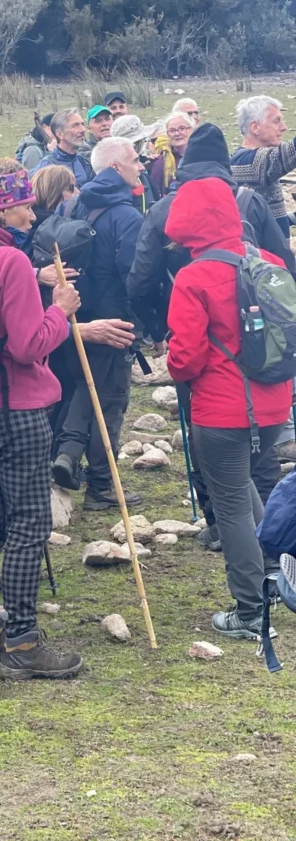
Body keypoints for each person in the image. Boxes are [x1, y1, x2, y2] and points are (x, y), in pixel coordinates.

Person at [127, 123, 295, 546]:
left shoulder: (164, 210)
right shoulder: (249, 200)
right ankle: (272, 533)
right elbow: (286, 267)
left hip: (196, 343)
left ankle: (221, 524)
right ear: (224, 165)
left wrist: (158, 328)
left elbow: (140, 281)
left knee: (209, 434)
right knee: (261, 442)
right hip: (266, 344)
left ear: (185, 166)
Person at [0, 168, 83, 678]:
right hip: (17, 410)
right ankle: (24, 642)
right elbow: (29, 346)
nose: (32, 213)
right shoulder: (10, 261)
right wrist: (60, 309)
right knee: (29, 523)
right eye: (24, 205)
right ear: (1, 211)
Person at [165, 177, 291, 639]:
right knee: (244, 488)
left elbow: (187, 358)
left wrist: (172, 359)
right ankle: (277, 574)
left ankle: (251, 611)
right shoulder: (269, 262)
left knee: (232, 502)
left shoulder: (193, 277)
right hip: (275, 405)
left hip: (222, 409)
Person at [51, 137, 149, 510]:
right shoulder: (127, 216)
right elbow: (135, 276)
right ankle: (102, 486)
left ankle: (66, 454)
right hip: (115, 321)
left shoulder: (73, 204)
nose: (140, 165)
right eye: (134, 160)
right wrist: (146, 325)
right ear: (115, 168)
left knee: (81, 387)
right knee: (110, 401)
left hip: (75, 314)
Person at [230, 95, 295, 237]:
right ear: (255, 127)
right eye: (276, 121)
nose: (284, 127)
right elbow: (290, 152)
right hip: (262, 257)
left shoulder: (250, 161)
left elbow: (268, 220)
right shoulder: (252, 162)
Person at [109, 115, 160, 213]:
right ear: (136, 144)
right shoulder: (125, 176)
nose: (145, 143)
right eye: (143, 140)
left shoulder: (109, 171)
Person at [32, 108, 94, 187]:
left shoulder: (83, 162)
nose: (83, 130)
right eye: (75, 125)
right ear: (60, 134)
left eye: (82, 124)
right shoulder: (47, 166)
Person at [149, 112, 195, 197]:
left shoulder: (202, 156)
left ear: (192, 130)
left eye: (182, 128)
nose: (177, 133)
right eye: (172, 130)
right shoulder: (161, 161)